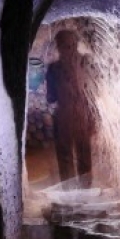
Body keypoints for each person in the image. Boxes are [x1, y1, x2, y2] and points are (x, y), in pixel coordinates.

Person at [45, 29, 96, 186]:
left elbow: (51, 97)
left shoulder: (53, 69)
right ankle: (84, 188)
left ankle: (70, 190)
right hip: (82, 114)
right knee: (82, 154)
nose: (64, 49)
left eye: (63, 46)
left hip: (66, 116)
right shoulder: (86, 63)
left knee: (67, 155)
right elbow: (95, 91)